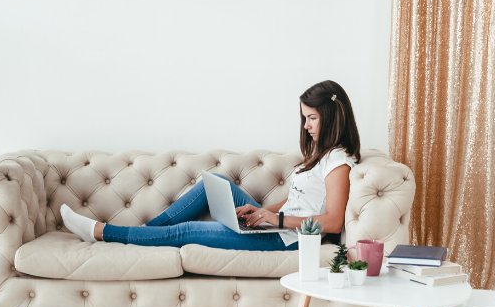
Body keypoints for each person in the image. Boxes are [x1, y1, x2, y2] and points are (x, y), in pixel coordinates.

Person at [60, 80, 361, 251]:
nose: (306, 126)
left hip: (290, 241)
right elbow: (298, 200)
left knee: (188, 231)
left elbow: (333, 221)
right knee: (212, 183)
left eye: (312, 118)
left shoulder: (338, 160)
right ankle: (144, 235)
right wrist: (262, 212)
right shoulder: (321, 156)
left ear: (332, 116)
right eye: (304, 117)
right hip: (279, 225)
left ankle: (103, 232)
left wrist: (275, 220)